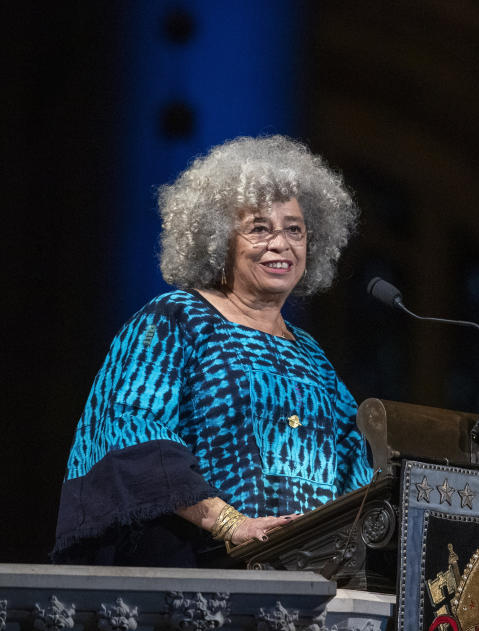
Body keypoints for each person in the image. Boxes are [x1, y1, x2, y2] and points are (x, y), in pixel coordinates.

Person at [52, 135, 373, 567]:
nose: (281, 243)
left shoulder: (312, 355)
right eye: (259, 228)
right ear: (219, 240)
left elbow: (357, 466)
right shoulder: (175, 318)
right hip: (197, 579)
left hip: (311, 581)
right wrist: (231, 523)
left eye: (294, 229)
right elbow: (136, 432)